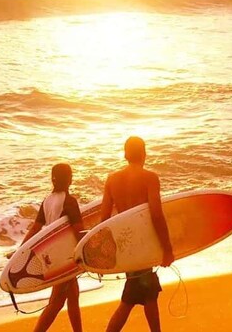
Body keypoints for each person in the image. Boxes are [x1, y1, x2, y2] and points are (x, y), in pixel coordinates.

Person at [100, 136, 174, 332]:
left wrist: (103, 254)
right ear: (144, 154)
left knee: (146, 292)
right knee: (133, 297)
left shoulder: (112, 180)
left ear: (125, 154)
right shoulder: (149, 178)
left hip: (124, 245)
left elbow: (104, 220)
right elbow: (156, 214)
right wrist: (167, 249)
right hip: (144, 243)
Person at [21, 163, 85, 332]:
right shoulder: (70, 202)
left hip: (53, 256)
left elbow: (35, 228)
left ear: (53, 179)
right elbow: (79, 231)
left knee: (73, 297)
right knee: (56, 303)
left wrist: (20, 250)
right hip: (65, 258)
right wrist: (89, 251)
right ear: (70, 179)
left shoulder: (47, 201)